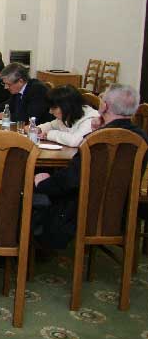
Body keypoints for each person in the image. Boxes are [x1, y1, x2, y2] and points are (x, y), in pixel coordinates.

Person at [33, 84, 147, 249]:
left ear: (104, 106)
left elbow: (72, 180)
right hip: (122, 212)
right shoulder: (141, 137)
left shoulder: (96, 140)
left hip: (84, 213)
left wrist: (43, 183)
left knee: (33, 191)